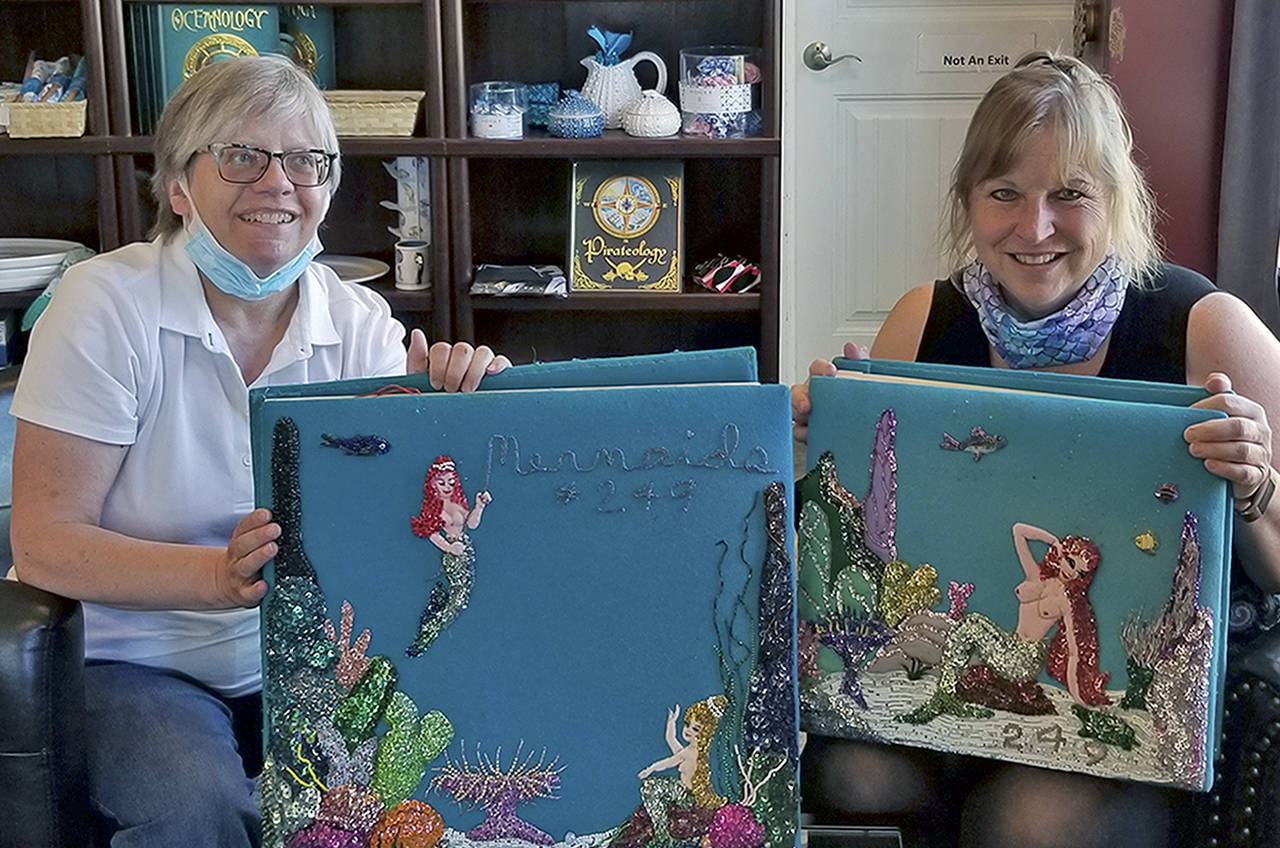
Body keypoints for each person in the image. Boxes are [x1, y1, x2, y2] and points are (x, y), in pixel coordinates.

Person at [8, 55, 510, 847]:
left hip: (311, 659)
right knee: (196, 808)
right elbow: (42, 544)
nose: (279, 182)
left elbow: (405, 525)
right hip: (132, 660)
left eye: (307, 160)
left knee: (430, 793)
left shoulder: (360, 325)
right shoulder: (103, 305)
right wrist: (217, 577)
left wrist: (462, 415)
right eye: (242, 156)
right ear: (179, 186)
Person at [791, 51, 1280, 848]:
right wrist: (819, 450)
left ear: (1116, 201)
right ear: (968, 203)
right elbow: (872, 534)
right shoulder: (924, 320)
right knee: (851, 774)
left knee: (1032, 821)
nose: (1035, 226)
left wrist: (1256, 486)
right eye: (1005, 194)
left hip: (1125, 712)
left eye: (1070, 195)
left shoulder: (1204, 325)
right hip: (950, 688)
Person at [902, 523, 1106, 724]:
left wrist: (1077, 696)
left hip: (1025, 659)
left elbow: (1073, 651)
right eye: (1071, 563)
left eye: (1080, 572)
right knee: (970, 624)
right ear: (1062, 556)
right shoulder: (1036, 577)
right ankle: (945, 695)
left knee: (971, 625)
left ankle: (944, 695)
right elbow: (1019, 531)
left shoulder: (1066, 600)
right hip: (1010, 644)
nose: (1072, 573)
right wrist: (1052, 540)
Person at [406, 454, 490, 656]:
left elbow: (471, 524)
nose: (446, 486)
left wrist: (479, 507)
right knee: (459, 599)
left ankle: (438, 606)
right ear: (432, 483)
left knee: (463, 593)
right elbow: (431, 533)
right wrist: (449, 548)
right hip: (453, 553)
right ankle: (431, 629)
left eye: (451, 482)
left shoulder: (458, 504)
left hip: (466, 550)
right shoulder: (434, 508)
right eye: (441, 482)